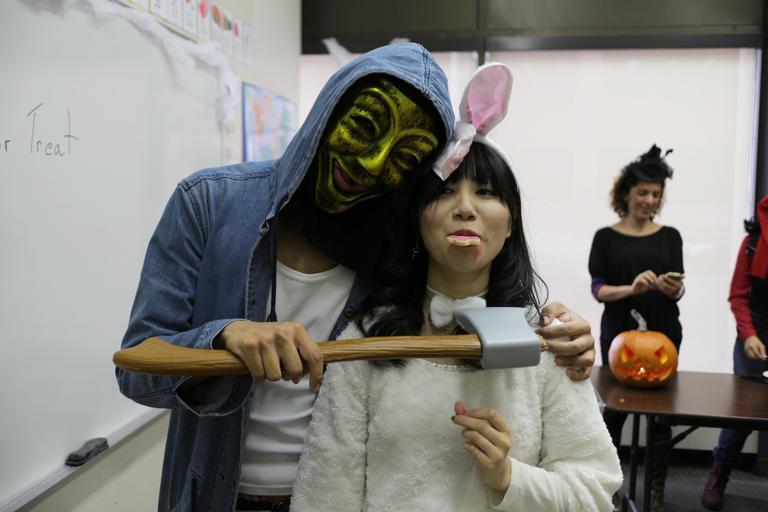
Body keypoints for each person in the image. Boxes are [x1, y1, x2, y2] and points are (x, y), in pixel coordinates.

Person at [117, 45, 597, 512]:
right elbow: (136, 371)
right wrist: (226, 337)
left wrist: (561, 331)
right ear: (330, 108)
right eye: (364, 127)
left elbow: (462, 291)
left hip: (332, 490)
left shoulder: (393, 244)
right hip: (212, 491)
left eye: (404, 157)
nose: (371, 163)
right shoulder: (208, 203)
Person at [290, 64, 622, 512]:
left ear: (510, 223)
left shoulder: (545, 342)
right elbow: (325, 494)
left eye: (486, 192)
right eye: (444, 191)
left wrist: (508, 478)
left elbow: (595, 492)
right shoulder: (368, 339)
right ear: (416, 218)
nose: (465, 208)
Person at [588, 144, 684, 511]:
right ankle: (609, 486)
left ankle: (655, 493)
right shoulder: (605, 237)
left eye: (656, 194)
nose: (649, 200)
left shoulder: (670, 236)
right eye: (643, 192)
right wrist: (632, 288)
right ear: (626, 193)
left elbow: (679, 288)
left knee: (661, 417)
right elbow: (598, 290)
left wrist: (673, 288)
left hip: (664, 334)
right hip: (619, 337)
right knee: (614, 414)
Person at [701, 195, 768, 511]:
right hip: (754, 338)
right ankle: (719, 474)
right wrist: (749, 335)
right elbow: (738, 295)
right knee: (741, 413)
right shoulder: (752, 243)